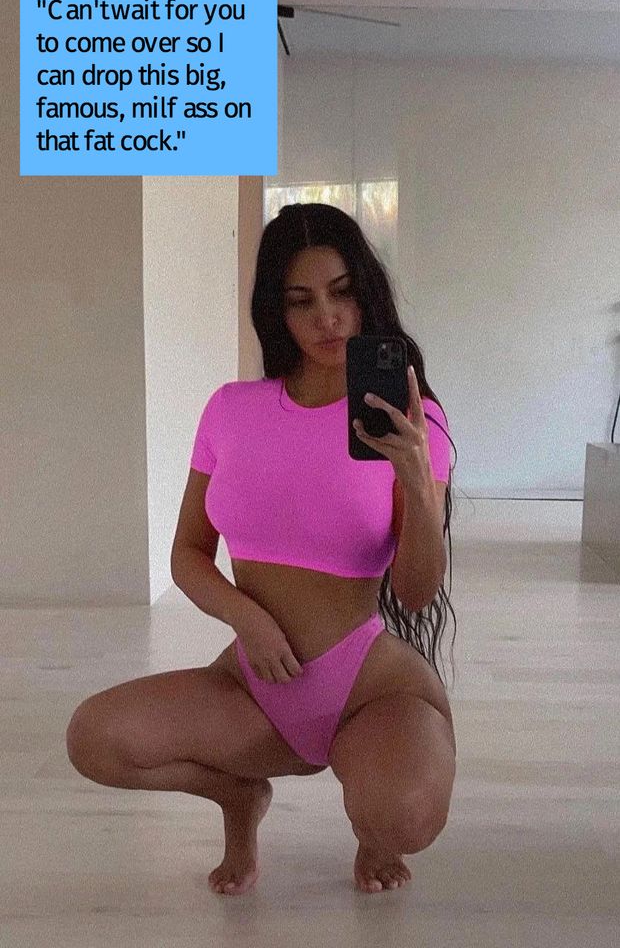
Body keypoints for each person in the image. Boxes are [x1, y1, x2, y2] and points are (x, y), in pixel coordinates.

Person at [65, 202, 458, 897]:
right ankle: (239, 797)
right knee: (93, 739)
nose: (327, 318)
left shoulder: (413, 420)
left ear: (366, 293)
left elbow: (416, 592)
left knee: (404, 817)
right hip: (255, 684)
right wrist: (247, 620)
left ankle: (374, 835)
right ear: (277, 311)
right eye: (301, 301)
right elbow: (188, 553)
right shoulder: (231, 410)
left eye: (342, 292)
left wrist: (417, 484)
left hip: (370, 688)